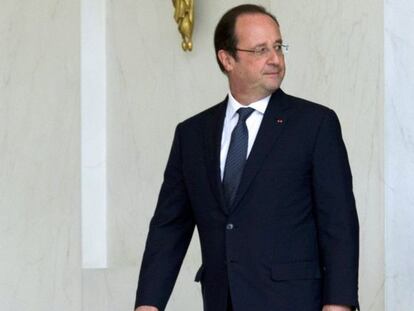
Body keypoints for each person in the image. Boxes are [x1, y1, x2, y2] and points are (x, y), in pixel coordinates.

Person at [134, 4, 359, 311]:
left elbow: (339, 224)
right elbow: (169, 226)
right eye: (260, 50)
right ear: (227, 59)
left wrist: (339, 304)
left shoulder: (314, 124)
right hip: (222, 301)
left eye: (278, 47)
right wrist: (148, 304)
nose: (275, 59)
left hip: (293, 302)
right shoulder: (192, 134)